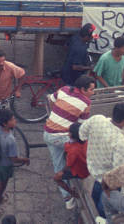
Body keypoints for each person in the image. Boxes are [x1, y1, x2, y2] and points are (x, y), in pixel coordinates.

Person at [44, 75, 96, 208]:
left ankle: (68, 199)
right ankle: (81, 171)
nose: (93, 92)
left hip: (47, 133)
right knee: (83, 148)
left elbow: (51, 100)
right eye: (91, 90)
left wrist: (57, 115)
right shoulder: (86, 103)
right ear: (83, 89)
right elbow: (81, 127)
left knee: (57, 164)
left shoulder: (64, 89)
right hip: (60, 137)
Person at [81, 104, 124, 219]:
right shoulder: (120, 142)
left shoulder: (97, 119)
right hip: (108, 180)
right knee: (105, 207)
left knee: (95, 195)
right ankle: (103, 219)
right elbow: (120, 171)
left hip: (94, 170)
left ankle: (96, 215)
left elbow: (82, 133)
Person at [0, 108, 28, 221]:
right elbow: (14, 159)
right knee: (1, 186)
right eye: (12, 119)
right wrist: (25, 160)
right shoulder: (10, 139)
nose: (15, 120)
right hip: (5, 167)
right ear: (5, 123)